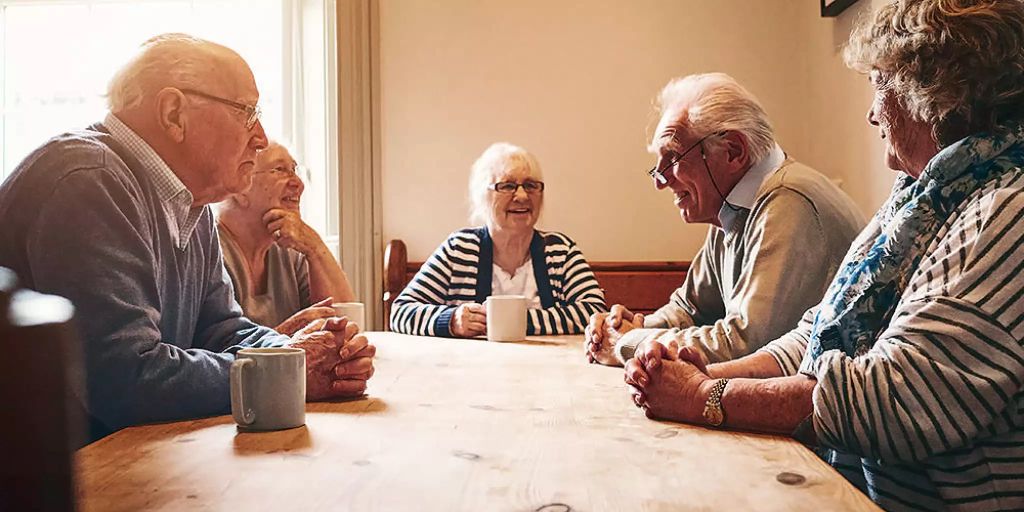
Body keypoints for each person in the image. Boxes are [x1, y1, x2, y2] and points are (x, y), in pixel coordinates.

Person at [625, 1, 1024, 510]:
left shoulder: (1005, 210)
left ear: (938, 93)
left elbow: (896, 401)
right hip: (843, 480)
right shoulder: (922, 199)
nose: (872, 111)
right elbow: (816, 333)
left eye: (880, 83)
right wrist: (702, 376)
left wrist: (704, 398)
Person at [0, 33, 375, 441]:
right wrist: (288, 368)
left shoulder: (189, 203)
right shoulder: (90, 180)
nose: (261, 136)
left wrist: (304, 353)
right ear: (174, 112)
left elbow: (222, 329)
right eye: (247, 112)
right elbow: (126, 378)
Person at [585, 73, 864, 367]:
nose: (660, 180)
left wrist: (628, 344)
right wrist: (635, 327)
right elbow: (691, 307)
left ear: (733, 151)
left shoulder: (788, 201)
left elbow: (747, 345)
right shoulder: (733, 204)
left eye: (674, 157)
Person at [390, 142, 607, 337]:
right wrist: (452, 320)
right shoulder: (459, 249)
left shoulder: (560, 251)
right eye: (507, 186)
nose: (522, 196)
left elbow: (595, 311)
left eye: (531, 185)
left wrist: (508, 322)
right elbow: (400, 312)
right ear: (481, 196)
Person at [217, 140, 356, 335]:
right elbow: (217, 354)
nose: (298, 184)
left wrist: (314, 247)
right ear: (241, 188)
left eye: (294, 170)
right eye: (281, 170)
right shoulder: (211, 254)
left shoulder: (289, 251)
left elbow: (346, 322)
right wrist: (287, 336)